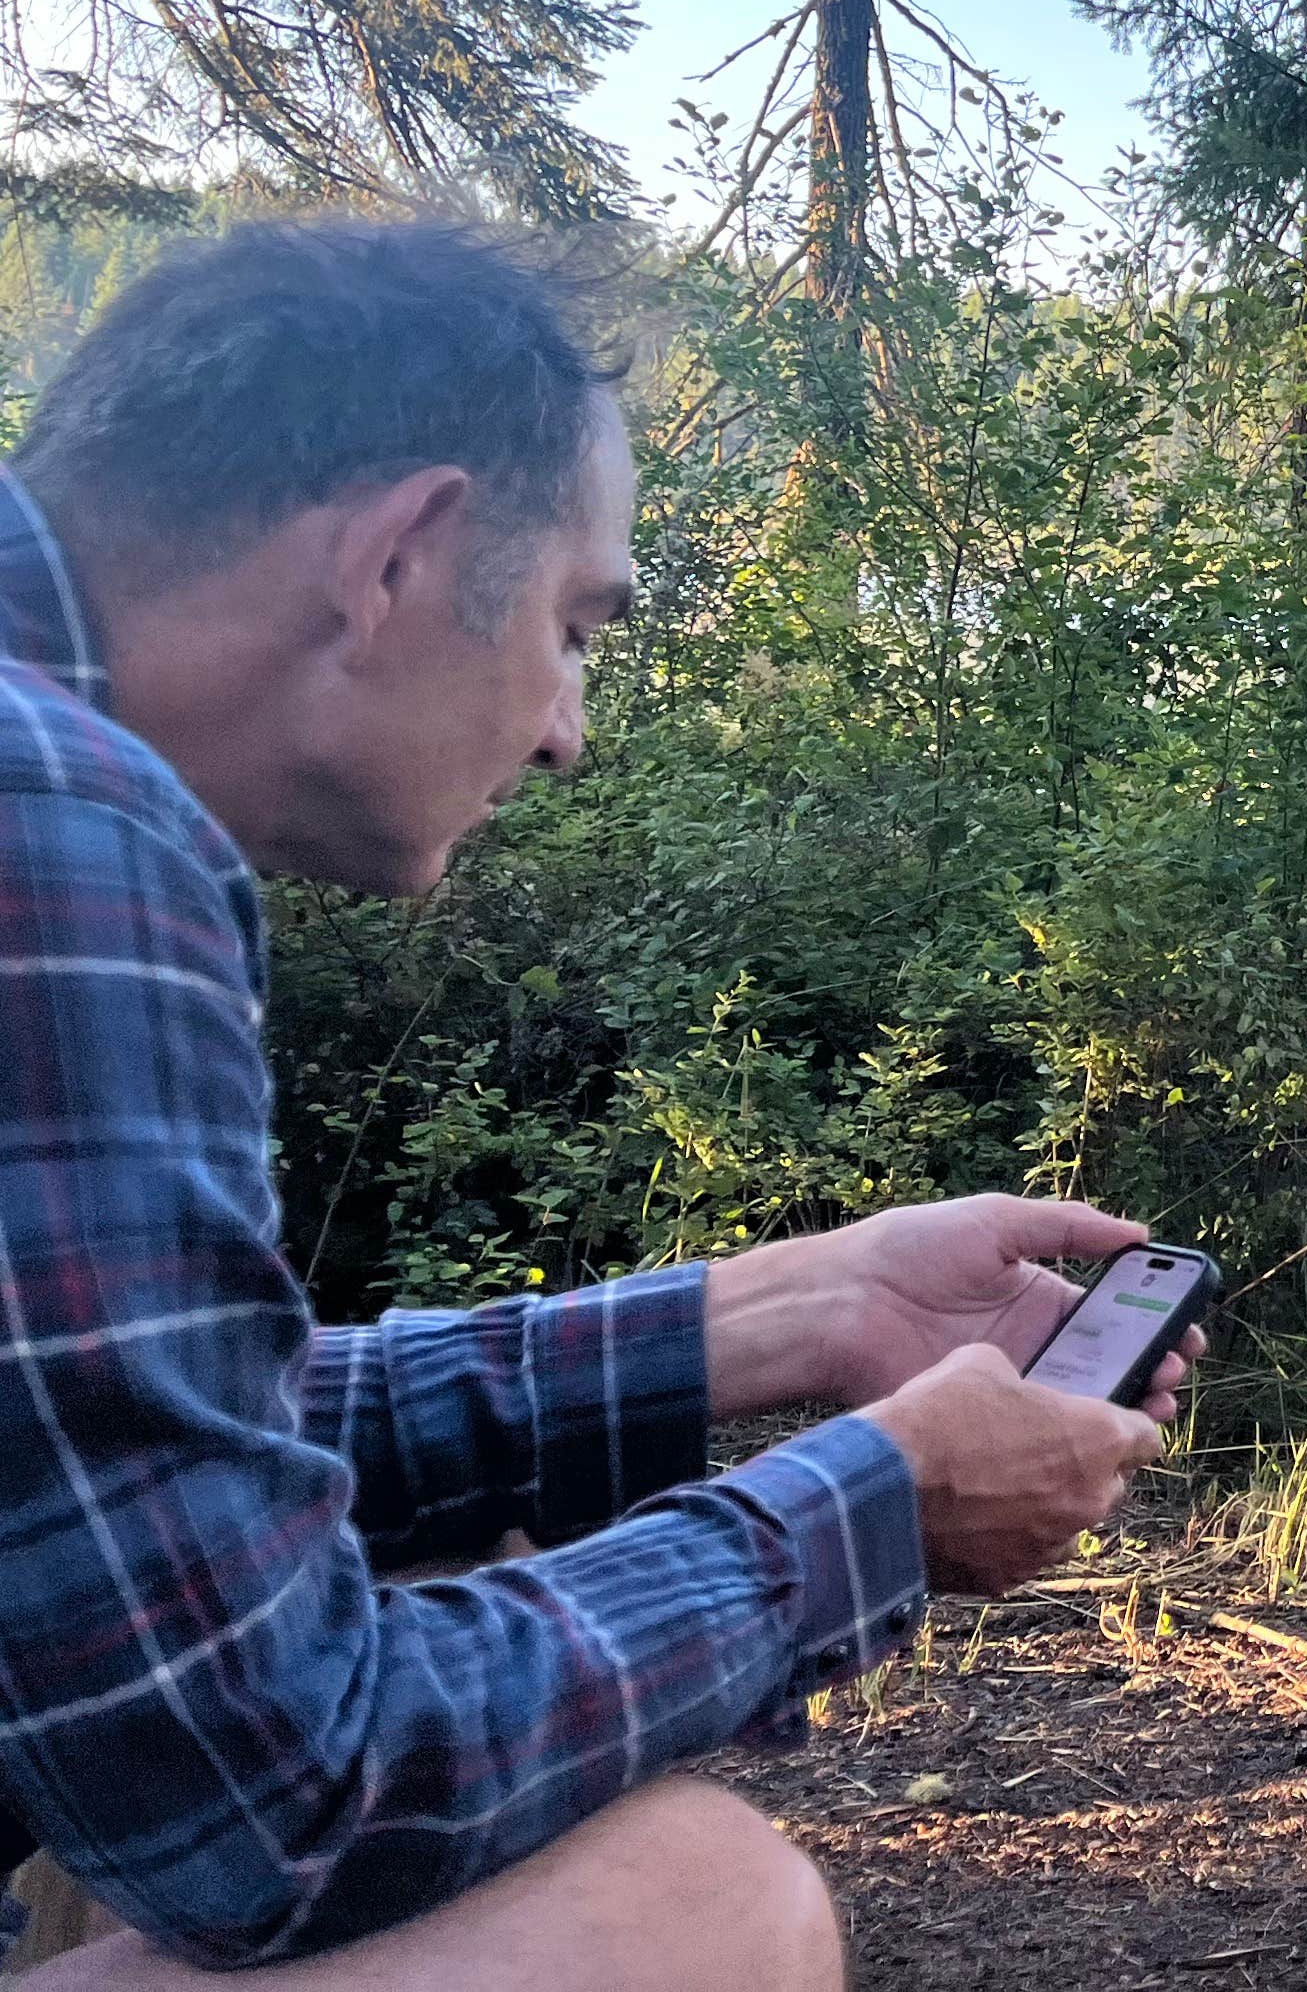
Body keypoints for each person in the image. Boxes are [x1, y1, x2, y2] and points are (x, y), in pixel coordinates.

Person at [0, 223, 1186, 1986]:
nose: (569, 729)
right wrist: (874, 1506)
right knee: (695, 1903)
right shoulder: (64, 821)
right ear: (399, 555)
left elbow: (119, 1450)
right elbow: (277, 1787)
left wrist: (793, 1311)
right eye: (573, 626)